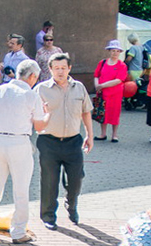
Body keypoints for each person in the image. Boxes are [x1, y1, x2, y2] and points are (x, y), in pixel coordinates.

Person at [0, 59, 48, 244]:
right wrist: (48, 114)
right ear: (32, 76)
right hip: (19, 142)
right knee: (21, 188)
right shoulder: (31, 95)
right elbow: (39, 126)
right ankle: (18, 231)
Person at [36, 53, 92, 230]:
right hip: (48, 141)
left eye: (63, 68)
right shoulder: (41, 89)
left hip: (73, 141)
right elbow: (31, 114)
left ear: (69, 68)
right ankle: (48, 216)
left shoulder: (79, 88)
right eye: (56, 68)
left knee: (76, 179)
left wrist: (89, 135)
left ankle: (71, 204)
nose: (60, 72)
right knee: (49, 181)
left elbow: (86, 112)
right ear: (50, 69)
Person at [93, 41, 127, 142]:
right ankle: (103, 134)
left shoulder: (122, 65)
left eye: (117, 51)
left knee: (114, 113)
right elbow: (96, 75)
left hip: (115, 93)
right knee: (103, 113)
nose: (115, 53)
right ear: (109, 51)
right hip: (102, 93)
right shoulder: (102, 63)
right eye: (113, 50)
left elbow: (119, 80)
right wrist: (97, 85)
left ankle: (114, 135)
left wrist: (102, 85)